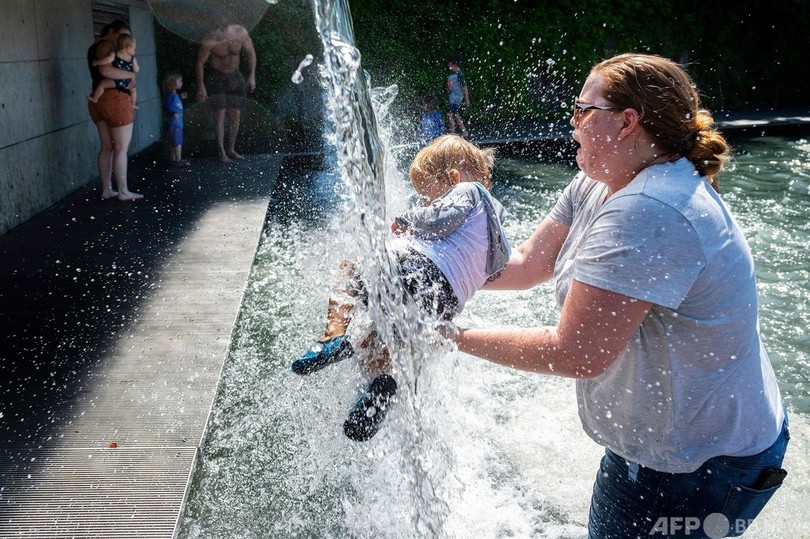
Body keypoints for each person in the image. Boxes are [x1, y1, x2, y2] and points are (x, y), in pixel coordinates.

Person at [446, 53, 788, 538]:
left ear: (628, 122)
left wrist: (449, 335)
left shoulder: (652, 210)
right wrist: (430, 273)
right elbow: (527, 262)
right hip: (660, 449)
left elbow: (575, 352)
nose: (572, 121)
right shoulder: (598, 179)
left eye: (583, 110)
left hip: (704, 468)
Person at [291, 135, 511, 442]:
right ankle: (382, 383)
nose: (425, 203)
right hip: (441, 304)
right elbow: (493, 270)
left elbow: (442, 216)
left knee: (352, 266)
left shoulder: (467, 190)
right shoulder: (497, 231)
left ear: (452, 178)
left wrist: (407, 219)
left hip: (417, 273)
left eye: (427, 196)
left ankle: (332, 336)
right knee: (379, 339)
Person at [87, 20, 143, 201]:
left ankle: (107, 189)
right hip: (115, 99)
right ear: (112, 32)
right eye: (121, 35)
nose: (124, 40)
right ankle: (123, 191)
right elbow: (106, 71)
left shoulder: (95, 47)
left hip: (99, 101)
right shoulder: (107, 46)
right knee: (120, 148)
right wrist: (130, 75)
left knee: (107, 147)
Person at [195, 17, 257, 163]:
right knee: (220, 114)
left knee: (235, 114)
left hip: (235, 77)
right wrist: (201, 85)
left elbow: (251, 53)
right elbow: (200, 62)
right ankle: (221, 152)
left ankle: (231, 149)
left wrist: (252, 75)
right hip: (217, 78)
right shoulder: (211, 37)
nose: (220, 33)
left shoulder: (240, 32)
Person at [88, 34, 139, 110]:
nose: (135, 51)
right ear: (128, 48)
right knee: (133, 91)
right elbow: (136, 70)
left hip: (116, 81)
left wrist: (96, 62)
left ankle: (95, 98)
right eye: (134, 49)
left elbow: (107, 60)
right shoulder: (132, 59)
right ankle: (133, 104)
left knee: (102, 84)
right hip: (127, 82)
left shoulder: (114, 54)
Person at [162, 72, 188, 167]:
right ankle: (178, 159)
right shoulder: (170, 96)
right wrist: (173, 113)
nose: (181, 83)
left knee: (174, 141)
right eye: (179, 81)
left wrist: (181, 98)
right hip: (174, 123)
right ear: (173, 83)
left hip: (177, 122)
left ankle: (173, 159)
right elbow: (168, 106)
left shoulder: (174, 95)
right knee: (177, 142)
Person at [446, 54, 470, 139]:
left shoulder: (460, 75)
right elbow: (450, 88)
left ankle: (453, 132)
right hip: (453, 98)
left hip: (456, 98)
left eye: (450, 64)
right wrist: (448, 87)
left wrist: (466, 99)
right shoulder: (452, 74)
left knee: (451, 114)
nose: (448, 66)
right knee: (455, 114)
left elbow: (464, 87)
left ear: (454, 64)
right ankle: (463, 131)